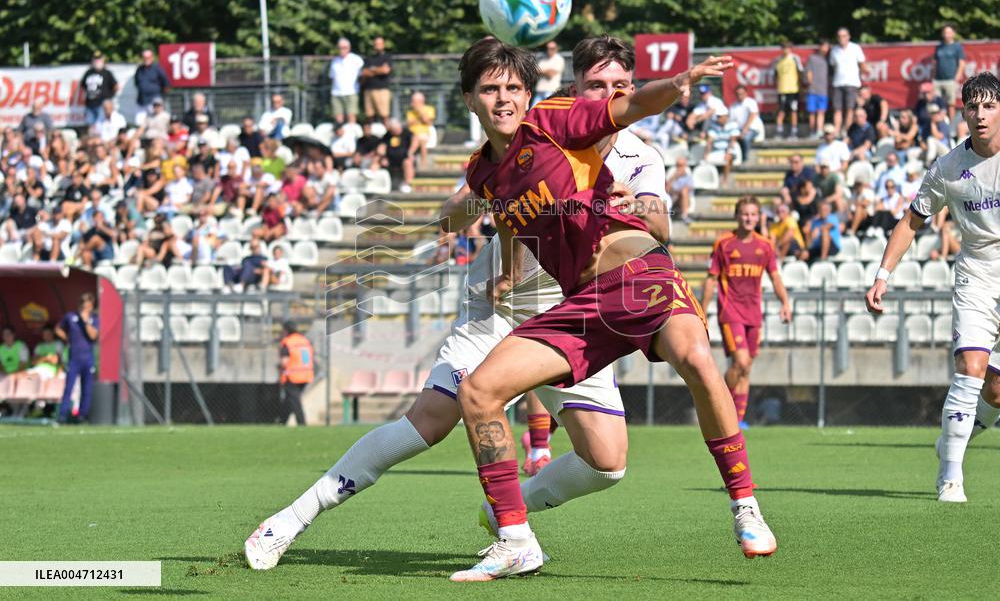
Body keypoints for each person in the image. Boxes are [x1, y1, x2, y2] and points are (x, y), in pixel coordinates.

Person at [243, 35, 681, 574]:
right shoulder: (518, 146)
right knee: (427, 422)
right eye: (595, 85)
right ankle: (290, 519)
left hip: (574, 315)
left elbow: (659, 226)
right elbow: (479, 209)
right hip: (500, 312)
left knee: (607, 464)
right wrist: (486, 237)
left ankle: (505, 510)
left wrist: (637, 208)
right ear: (574, 88)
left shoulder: (637, 155)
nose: (606, 95)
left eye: (619, 86)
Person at [450, 38, 772, 579]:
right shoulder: (483, 172)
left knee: (696, 359)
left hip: (638, 274)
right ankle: (515, 540)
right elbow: (506, 217)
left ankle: (744, 504)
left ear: (529, 95)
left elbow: (634, 108)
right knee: (478, 392)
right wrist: (505, 270)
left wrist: (677, 85)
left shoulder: (554, 120)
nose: (503, 98)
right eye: (490, 89)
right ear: (470, 99)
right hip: (581, 305)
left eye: (513, 88)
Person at [866, 72, 1000, 503]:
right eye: (973, 107)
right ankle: (950, 476)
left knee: (996, 391)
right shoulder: (947, 168)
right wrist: (882, 275)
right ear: (963, 112)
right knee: (971, 367)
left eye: (989, 106)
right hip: (977, 275)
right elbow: (911, 221)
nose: (981, 115)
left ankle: (953, 440)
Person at [702, 197, 792, 427]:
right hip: (730, 311)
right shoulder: (724, 243)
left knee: (746, 368)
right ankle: (719, 403)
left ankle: (736, 422)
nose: (749, 218)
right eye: (744, 214)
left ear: (759, 217)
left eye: (753, 214)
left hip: (754, 314)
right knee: (740, 362)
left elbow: (775, 277)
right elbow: (711, 279)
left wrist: (785, 302)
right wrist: (702, 310)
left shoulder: (765, 246)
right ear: (737, 216)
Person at [55, 293, 99, 424]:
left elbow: (93, 336)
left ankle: (82, 416)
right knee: (68, 387)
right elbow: (58, 329)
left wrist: (85, 322)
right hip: (74, 358)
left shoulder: (94, 319)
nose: (85, 309)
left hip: (88, 358)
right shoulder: (70, 317)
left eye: (88, 306)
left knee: (87, 389)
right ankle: (63, 415)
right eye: (83, 306)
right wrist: (67, 338)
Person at [829, 28, 868, 137]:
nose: (841, 38)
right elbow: (833, 65)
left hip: (852, 83)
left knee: (850, 109)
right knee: (837, 109)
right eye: (839, 36)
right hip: (838, 83)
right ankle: (836, 131)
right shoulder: (834, 50)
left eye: (844, 35)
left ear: (848, 37)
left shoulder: (855, 48)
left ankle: (846, 131)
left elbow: (862, 65)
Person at [278, 321, 313, 426]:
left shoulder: (287, 342)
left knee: (295, 401)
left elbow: (284, 362)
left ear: (286, 330)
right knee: (289, 400)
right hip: (305, 375)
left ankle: (301, 423)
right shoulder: (304, 340)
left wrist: (279, 367)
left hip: (292, 376)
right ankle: (282, 422)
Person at [933, 25, 966, 121]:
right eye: (945, 32)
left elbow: (962, 63)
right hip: (938, 80)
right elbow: (935, 63)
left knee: (951, 104)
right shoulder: (939, 47)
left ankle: (951, 126)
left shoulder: (957, 47)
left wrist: (956, 78)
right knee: (936, 105)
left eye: (948, 32)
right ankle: (939, 125)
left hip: (950, 80)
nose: (946, 35)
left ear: (953, 34)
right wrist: (933, 77)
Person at [329, 38, 365, 124]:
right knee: (338, 118)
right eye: (340, 48)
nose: (342, 50)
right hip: (336, 92)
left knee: (351, 116)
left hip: (351, 92)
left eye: (344, 47)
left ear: (349, 48)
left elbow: (362, 76)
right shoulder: (335, 61)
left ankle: (351, 132)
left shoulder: (356, 59)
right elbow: (332, 77)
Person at [772, 42, 803, 139]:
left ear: (791, 49)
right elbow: (775, 75)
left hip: (793, 89)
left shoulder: (795, 58)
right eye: (783, 48)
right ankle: (779, 131)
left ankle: (794, 131)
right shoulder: (778, 60)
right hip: (782, 90)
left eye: (787, 48)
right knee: (781, 111)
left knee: (793, 110)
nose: (785, 50)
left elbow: (800, 72)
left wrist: (800, 87)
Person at [79, 51, 119, 127]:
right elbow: (83, 85)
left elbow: (116, 86)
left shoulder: (107, 73)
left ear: (103, 60)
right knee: (90, 126)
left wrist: (109, 98)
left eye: (99, 59)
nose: (97, 61)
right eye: (95, 59)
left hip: (102, 105)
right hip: (90, 104)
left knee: (101, 126)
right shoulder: (88, 73)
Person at [360, 36, 392, 124]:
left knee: (384, 115)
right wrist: (379, 70)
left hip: (382, 89)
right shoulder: (369, 58)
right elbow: (364, 72)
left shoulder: (387, 57)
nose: (378, 45)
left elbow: (385, 70)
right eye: (376, 44)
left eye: (380, 43)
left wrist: (372, 69)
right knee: (369, 115)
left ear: (383, 45)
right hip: (369, 89)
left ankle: (387, 131)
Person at [133, 49, 170, 122]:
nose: (146, 59)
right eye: (144, 57)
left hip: (154, 102)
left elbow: (166, 84)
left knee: (155, 122)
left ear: (152, 58)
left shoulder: (158, 68)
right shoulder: (139, 69)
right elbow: (137, 83)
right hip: (141, 101)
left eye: (148, 57)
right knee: (139, 122)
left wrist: (161, 97)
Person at [805, 40, 831, 138]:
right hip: (813, 90)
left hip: (823, 91)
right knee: (812, 112)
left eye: (827, 47)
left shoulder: (829, 60)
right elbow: (808, 72)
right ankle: (812, 131)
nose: (826, 49)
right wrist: (810, 83)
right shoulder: (812, 58)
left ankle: (819, 130)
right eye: (824, 46)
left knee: (821, 111)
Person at [728, 85, 759, 163]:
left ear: (746, 93)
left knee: (745, 138)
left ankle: (745, 160)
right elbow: (731, 121)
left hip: (752, 129)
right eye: (738, 94)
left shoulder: (751, 102)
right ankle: (731, 159)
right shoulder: (733, 106)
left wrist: (745, 129)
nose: (740, 96)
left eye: (742, 93)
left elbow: (752, 115)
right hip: (738, 129)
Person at [405, 92, 437, 169]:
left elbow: (428, 122)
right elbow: (409, 123)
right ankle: (423, 163)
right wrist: (419, 119)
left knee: (420, 138)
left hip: (425, 134)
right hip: (412, 134)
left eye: (414, 101)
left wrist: (419, 112)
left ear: (421, 101)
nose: (412, 103)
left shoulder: (429, 109)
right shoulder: (410, 112)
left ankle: (409, 154)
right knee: (419, 138)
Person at [533, 40, 565, 105]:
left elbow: (551, 74)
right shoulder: (543, 58)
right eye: (548, 48)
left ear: (556, 49)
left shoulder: (559, 59)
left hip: (552, 90)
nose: (549, 50)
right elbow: (535, 71)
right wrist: (546, 71)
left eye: (552, 48)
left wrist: (541, 71)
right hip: (540, 90)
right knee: (533, 109)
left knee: (549, 110)